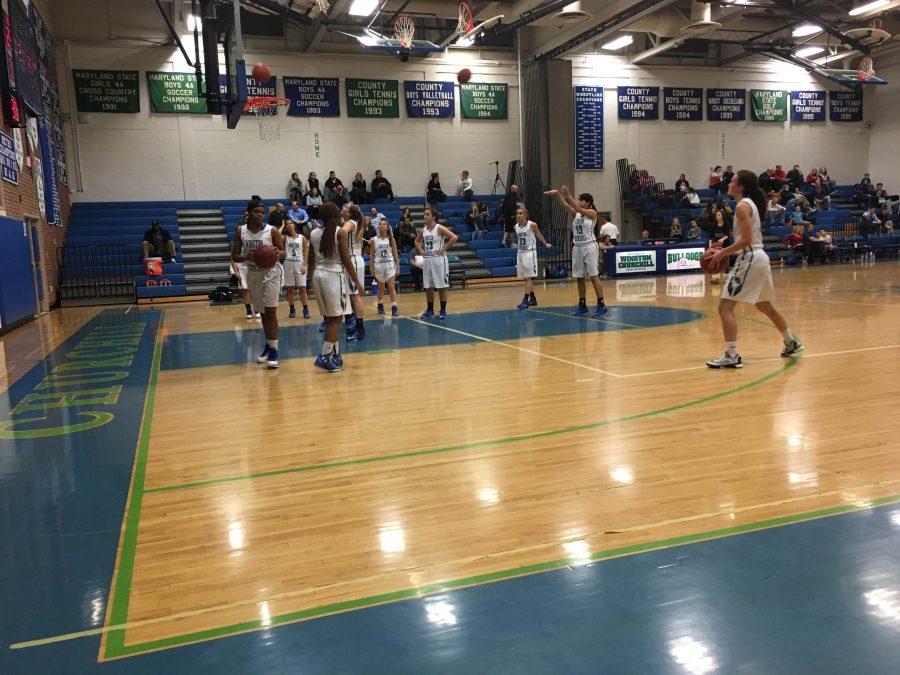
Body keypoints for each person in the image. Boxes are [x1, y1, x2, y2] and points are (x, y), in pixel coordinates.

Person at [706, 170, 801, 369]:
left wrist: (722, 254)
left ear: (740, 187)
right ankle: (790, 342)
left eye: (732, 181)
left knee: (725, 307)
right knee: (764, 305)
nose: (728, 184)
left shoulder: (742, 206)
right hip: (759, 258)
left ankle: (731, 354)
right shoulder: (748, 204)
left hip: (750, 257)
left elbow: (746, 240)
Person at [309, 202, 364, 373]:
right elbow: (346, 260)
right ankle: (325, 356)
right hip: (334, 275)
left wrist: (311, 279)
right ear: (336, 215)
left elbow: (310, 260)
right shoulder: (339, 232)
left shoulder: (313, 233)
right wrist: (357, 281)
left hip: (318, 274)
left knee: (329, 317)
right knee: (336, 319)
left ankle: (336, 355)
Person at [231, 199, 285, 369]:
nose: (260, 215)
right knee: (262, 314)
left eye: (262, 213)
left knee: (271, 312)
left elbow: (283, 252)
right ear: (248, 214)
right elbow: (235, 256)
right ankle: (268, 346)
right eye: (257, 212)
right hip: (253, 274)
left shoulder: (272, 231)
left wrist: (277, 252)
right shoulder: (241, 231)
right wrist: (248, 257)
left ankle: (275, 350)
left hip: (271, 274)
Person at [545, 185, 608, 316]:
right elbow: (566, 206)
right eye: (578, 200)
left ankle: (601, 303)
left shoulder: (592, 214)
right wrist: (558, 194)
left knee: (593, 276)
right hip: (577, 248)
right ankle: (582, 304)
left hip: (589, 246)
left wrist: (568, 194)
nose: (579, 202)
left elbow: (577, 207)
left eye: (582, 200)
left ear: (589, 203)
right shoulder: (577, 214)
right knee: (579, 277)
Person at [415, 207, 458, 320]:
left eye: (427, 214)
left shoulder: (439, 228)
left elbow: (454, 237)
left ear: (433, 217)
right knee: (428, 286)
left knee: (442, 286)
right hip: (428, 260)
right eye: (424, 214)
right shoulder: (423, 230)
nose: (425, 216)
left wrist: (443, 249)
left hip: (439, 260)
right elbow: (417, 241)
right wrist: (421, 251)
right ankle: (430, 309)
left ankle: (443, 310)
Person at [513, 207, 552, 309]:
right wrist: (515, 244)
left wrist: (545, 243)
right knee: (525, 278)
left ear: (525, 215)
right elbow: (518, 239)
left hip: (530, 253)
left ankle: (525, 300)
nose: (518, 215)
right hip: (520, 253)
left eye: (520, 213)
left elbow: (538, 235)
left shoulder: (532, 225)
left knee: (528, 277)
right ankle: (533, 298)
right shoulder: (516, 226)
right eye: (517, 213)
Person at [342, 204, 368, 341]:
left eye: (345, 208)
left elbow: (341, 233)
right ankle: (356, 326)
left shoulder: (350, 223)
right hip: (355, 260)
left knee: (355, 296)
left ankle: (360, 329)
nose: (342, 209)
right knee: (352, 295)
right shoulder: (354, 222)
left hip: (353, 260)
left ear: (349, 212)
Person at [370, 218, 400, 316]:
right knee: (380, 288)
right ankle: (380, 304)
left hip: (390, 265)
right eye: (380, 224)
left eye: (384, 224)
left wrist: (398, 266)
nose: (381, 225)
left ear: (387, 227)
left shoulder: (391, 239)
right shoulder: (374, 240)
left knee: (391, 286)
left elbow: (395, 254)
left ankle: (394, 306)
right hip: (378, 265)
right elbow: (371, 255)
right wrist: (371, 267)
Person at [282, 220, 310, 319]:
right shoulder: (285, 238)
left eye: (291, 223)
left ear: (294, 225)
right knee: (290, 289)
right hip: (288, 263)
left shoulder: (302, 237)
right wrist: (282, 225)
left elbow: (306, 253)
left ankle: (305, 309)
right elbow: (276, 234)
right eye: (287, 224)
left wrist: (304, 265)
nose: (289, 225)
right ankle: (292, 309)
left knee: (302, 288)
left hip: (299, 262)